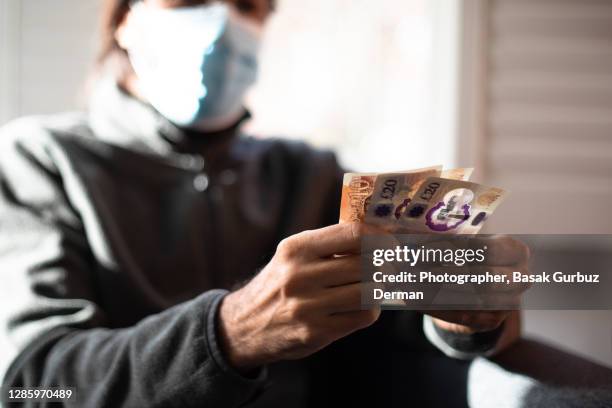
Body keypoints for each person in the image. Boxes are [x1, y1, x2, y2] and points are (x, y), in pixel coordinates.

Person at [0, 0, 528, 406]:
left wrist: (465, 319)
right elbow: (34, 387)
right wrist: (229, 333)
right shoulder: (37, 161)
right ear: (125, 20)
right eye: (188, 1)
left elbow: (399, 330)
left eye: (247, 5)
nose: (222, 24)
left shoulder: (309, 174)